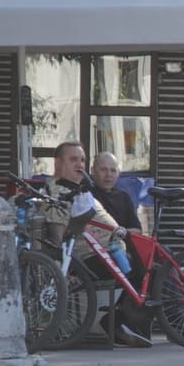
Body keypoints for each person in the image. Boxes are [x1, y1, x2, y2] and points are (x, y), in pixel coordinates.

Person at [43, 142, 152, 348]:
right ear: (58, 163)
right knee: (148, 273)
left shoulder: (80, 189)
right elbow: (57, 237)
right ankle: (118, 324)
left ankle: (123, 324)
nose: (79, 164)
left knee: (153, 270)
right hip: (90, 258)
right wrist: (62, 269)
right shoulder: (56, 192)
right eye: (73, 159)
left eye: (82, 160)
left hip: (112, 251)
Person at [90, 152, 141, 231]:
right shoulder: (86, 196)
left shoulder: (123, 197)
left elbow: (137, 230)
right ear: (93, 170)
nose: (108, 174)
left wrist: (119, 233)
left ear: (118, 173)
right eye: (103, 170)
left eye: (113, 170)